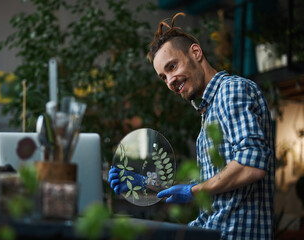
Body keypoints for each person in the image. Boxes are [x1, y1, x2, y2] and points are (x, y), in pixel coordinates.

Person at [108, 12, 275, 240]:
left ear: (196, 53)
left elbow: (251, 164)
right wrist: (146, 185)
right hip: (211, 232)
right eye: (163, 77)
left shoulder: (231, 91)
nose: (170, 81)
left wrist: (192, 191)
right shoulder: (209, 110)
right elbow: (214, 184)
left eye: (172, 66)